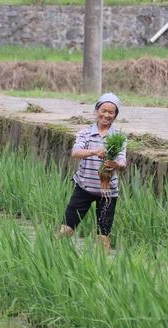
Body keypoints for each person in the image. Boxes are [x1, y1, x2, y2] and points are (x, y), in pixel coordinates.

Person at [59, 93, 126, 250]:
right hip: (84, 188)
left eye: (111, 112)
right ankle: (53, 256)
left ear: (115, 115)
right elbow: (75, 152)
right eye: (104, 110)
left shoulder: (119, 137)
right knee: (66, 229)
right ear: (97, 110)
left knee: (103, 236)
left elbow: (123, 161)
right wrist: (95, 152)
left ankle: (102, 267)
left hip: (108, 193)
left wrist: (116, 165)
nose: (107, 115)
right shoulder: (85, 133)